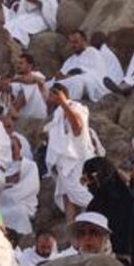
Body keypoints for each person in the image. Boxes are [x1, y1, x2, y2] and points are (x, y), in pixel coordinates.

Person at [45, 83, 96, 221]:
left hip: (79, 163)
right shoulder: (57, 115)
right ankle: (71, 232)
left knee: (88, 197)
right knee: (67, 196)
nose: (47, 99)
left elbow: (77, 127)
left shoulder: (75, 107)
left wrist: (63, 103)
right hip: (64, 166)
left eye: (50, 95)